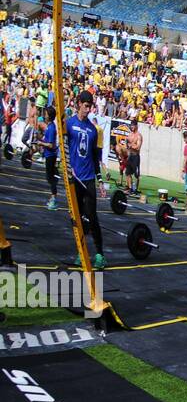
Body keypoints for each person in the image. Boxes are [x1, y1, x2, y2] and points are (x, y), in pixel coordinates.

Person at [65, 91, 106, 270]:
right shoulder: (69, 124)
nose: (88, 110)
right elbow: (63, 146)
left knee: (92, 217)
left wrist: (100, 181)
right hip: (74, 179)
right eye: (86, 106)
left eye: (90, 107)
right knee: (77, 219)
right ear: (78, 103)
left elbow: (95, 159)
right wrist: (66, 165)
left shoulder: (93, 130)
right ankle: (81, 252)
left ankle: (99, 255)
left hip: (88, 178)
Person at [41, 108, 59, 210]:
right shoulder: (49, 127)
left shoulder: (51, 128)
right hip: (48, 155)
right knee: (49, 178)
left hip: (51, 155)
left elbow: (51, 145)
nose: (44, 115)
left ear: (50, 116)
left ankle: (54, 200)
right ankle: (53, 198)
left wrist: (41, 143)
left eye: (46, 114)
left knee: (51, 178)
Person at [125, 121, 142, 195]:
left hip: (136, 156)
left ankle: (135, 190)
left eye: (133, 126)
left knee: (136, 174)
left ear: (136, 126)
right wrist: (126, 143)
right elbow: (127, 143)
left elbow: (138, 147)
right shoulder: (130, 135)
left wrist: (131, 146)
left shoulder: (139, 136)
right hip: (130, 156)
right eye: (131, 126)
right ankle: (130, 188)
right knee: (128, 173)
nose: (131, 127)